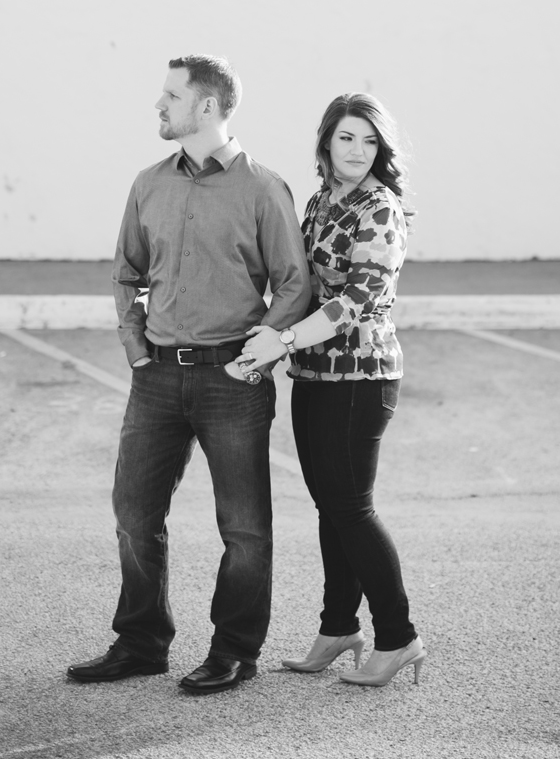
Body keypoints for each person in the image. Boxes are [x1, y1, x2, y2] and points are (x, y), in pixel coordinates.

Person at [67, 54, 311, 695]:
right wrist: (134, 345)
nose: (159, 105)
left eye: (170, 96)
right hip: (156, 379)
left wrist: (261, 349)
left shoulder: (264, 189)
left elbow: (293, 284)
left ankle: (233, 650)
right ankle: (142, 642)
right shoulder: (148, 183)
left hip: (232, 382)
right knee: (133, 513)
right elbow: (126, 271)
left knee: (244, 527)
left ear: (207, 106)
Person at [238, 92, 425, 688]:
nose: (358, 151)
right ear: (326, 141)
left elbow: (354, 302)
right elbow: (295, 277)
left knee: (351, 507)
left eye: (370, 141)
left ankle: (398, 637)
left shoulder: (380, 208)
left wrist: (284, 340)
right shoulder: (319, 201)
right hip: (315, 374)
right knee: (330, 507)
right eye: (348, 138)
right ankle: (338, 628)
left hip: (363, 376)